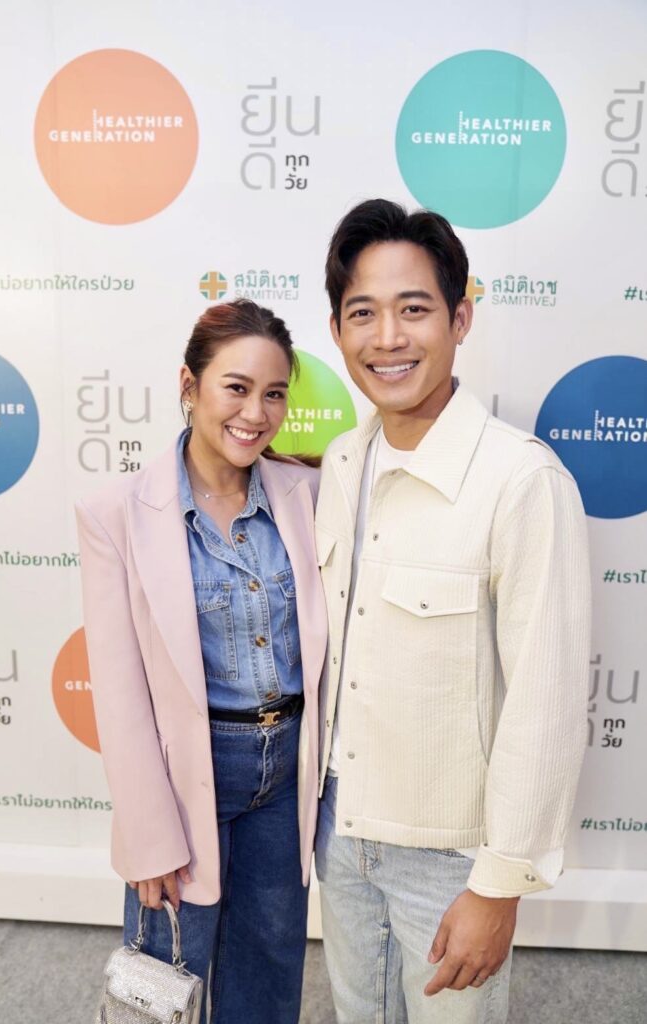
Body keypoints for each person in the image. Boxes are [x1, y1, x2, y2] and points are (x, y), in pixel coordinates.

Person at [314, 199, 591, 1023]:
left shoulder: (520, 480)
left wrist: (498, 885)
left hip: (450, 861)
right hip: (338, 832)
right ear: (336, 331)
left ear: (459, 319)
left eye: (413, 310)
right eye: (362, 313)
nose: (387, 338)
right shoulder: (340, 462)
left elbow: (544, 701)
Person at [76, 299, 327, 1024]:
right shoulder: (116, 512)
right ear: (189, 385)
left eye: (274, 393)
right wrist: (147, 836)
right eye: (236, 388)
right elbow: (119, 692)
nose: (255, 413)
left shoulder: (308, 496)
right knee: (164, 981)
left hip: (285, 776)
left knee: (269, 974)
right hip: (187, 777)